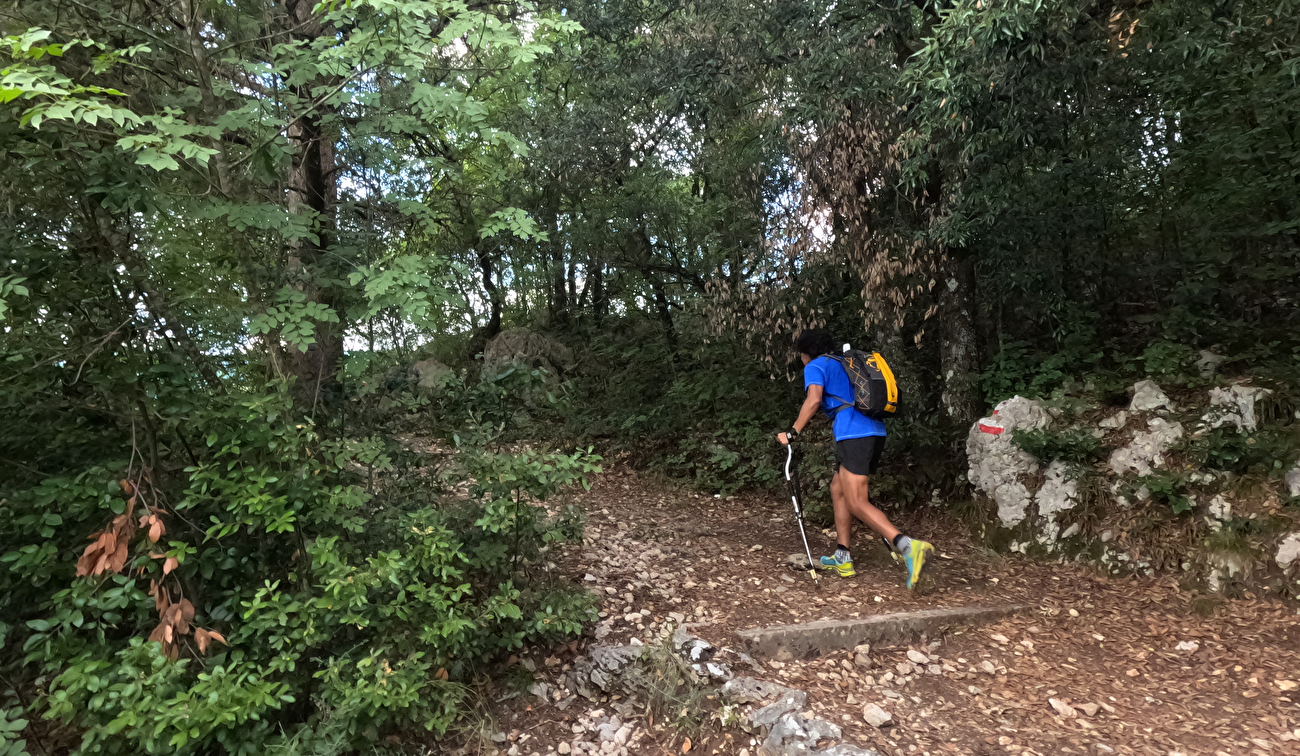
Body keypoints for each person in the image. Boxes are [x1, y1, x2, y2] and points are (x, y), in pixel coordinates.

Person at [776, 329, 934, 589]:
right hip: (874, 431)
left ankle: (908, 547)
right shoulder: (844, 362)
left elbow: (814, 399)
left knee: (857, 501)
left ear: (805, 354)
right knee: (838, 488)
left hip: (853, 434)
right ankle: (842, 555)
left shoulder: (815, 365)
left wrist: (793, 432)